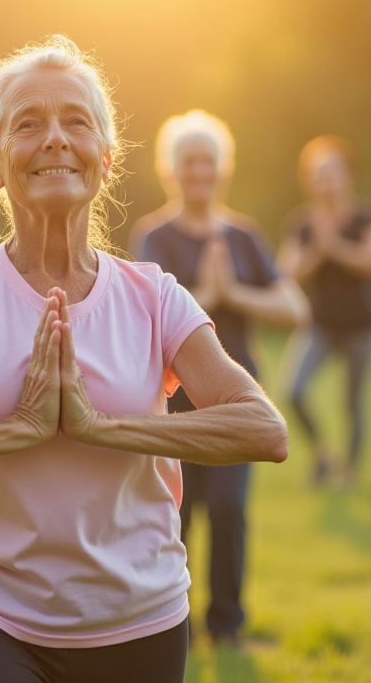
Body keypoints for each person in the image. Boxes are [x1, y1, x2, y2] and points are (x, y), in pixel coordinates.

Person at [0, 37, 288, 683]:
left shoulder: (153, 297)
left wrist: (101, 427)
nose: (54, 139)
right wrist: (13, 431)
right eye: (28, 124)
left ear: (105, 158)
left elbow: (263, 429)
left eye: (75, 121)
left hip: (140, 617)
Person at [129, 109, 307, 647]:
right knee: (174, 514)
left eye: (209, 161)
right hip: (173, 398)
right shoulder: (154, 237)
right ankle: (168, 625)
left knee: (229, 508)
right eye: (189, 162)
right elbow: (146, 314)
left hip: (234, 397)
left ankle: (226, 625)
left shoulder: (245, 236)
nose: (200, 172)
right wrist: (205, 296)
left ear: (223, 168)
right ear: (171, 171)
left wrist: (233, 294)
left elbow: (293, 308)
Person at [277, 135, 371, 489]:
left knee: (352, 402)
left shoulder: (367, 217)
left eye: (333, 173)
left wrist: (336, 246)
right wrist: (319, 249)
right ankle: (322, 455)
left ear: (347, 176)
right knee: (293, 391)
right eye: (318, 174)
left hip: (363, 326)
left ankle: (350, 473)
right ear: (308, 180)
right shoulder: (302, 223)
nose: (326, 181)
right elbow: (287, 273)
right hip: (320, 326)